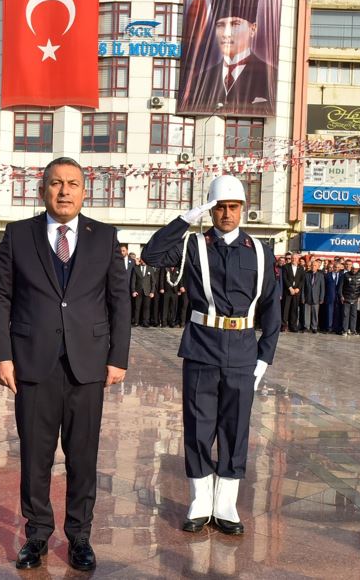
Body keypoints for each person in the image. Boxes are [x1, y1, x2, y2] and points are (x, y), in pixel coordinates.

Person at [0, 157, 130, 572]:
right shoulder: (18, 235)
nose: (64, 191)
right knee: (36, 456)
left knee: (83, 456)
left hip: (88, 366)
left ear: (84, 191)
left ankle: (80, 536)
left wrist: (117, 357)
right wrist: (2, 355)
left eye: (72, 184)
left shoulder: (103, 237)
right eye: (55, 184)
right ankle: (36, 535)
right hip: (33, 365)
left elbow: (119, 300)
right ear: (42, 190)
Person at [143, 174, 279, 538]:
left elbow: (271, 309)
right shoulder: (193, 246)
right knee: (199, 425)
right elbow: (151, 254)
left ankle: (226, 504)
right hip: (202, 346)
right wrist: (186, 219)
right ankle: (200, 500)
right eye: (220, 207)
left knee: (235, 430)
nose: (227, 214)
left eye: (233, 207)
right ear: (211, 209)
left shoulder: (261, 252)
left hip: (243, 351)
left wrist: (264, 358)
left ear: (243, 210)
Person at [188, 0, 276, 114]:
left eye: (235, 24)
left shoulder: (271, 76)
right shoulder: (200, 79)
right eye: (220, 25)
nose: (226, 33)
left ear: (253, 29)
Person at [338, 262, 360, 336]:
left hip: (355, 298)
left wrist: (359, 296)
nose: (354, 270)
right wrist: (341, 296)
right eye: (353, 269)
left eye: (356, 269)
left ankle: (352, 330)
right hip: (346, 297)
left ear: (358, 269)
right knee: (345, 315)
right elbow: (340, 287)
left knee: (354, 315)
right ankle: (344, 330)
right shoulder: (345, 275)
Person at [281, 253, 304, 332]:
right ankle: (283, 325)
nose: (294, 259)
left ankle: (293, 326)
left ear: (298, 259)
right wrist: (290, 288)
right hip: (288, 291)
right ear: (291, 258)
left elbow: (302, 280)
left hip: (296, 292)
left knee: (294, 309)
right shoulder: (285, 267)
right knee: (285, 309)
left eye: (295, 258)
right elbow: (284, 278)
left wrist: (298, 288)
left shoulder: (301, 268)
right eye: (292, 258)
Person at [131, 258, 156, 328]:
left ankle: (145, 322)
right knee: (137, 307)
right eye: (142, 260)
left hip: (147, 291)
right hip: (138, 291)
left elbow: (153, 282)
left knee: (146, 307)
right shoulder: (136, 268)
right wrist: (133, 291)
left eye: (145, 260)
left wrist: (152, 292)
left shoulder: (150, 269)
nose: (144, 261)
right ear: (140, 260)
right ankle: (136, 322)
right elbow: (133, 281)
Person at [301, 259, 325, 333]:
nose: (313, 267)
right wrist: (303, 297)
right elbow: (303, 287)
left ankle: (314, 327)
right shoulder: (306, 274)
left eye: (315, 265)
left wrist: (321, 298)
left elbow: (322, 288)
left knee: (315, 313)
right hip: (307, 297)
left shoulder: (320, 276)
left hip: (316, 297)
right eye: (312, 265)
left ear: (318, 267)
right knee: (306, 313)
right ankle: (306, 326)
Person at [324, 261, 344, 334]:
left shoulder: (342, 275)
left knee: (338, 313)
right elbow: (324, 287)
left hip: (339, 297)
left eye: (338, 267)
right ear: (333, 267)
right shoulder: (327, 275)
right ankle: (329, 328)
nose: (336, 269)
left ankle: (337, 328)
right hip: (329, 297)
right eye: (335, 267)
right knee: (329, 312)